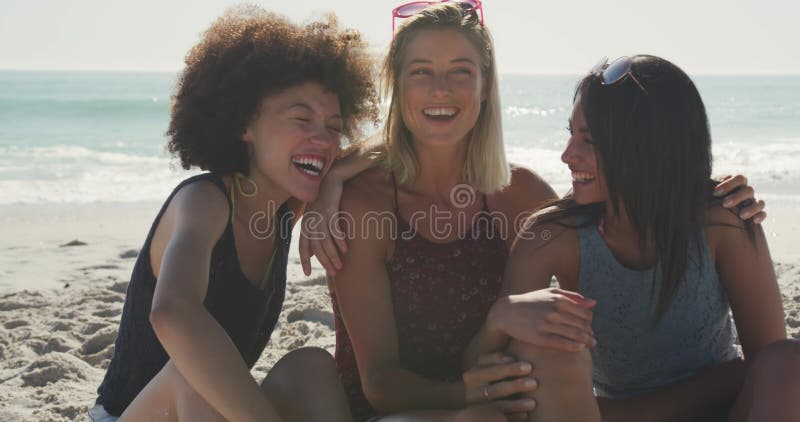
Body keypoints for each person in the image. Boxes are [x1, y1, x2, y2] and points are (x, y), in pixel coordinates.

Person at [299, 3, 766, 421]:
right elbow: (381, 386)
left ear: (485, 87)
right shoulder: (366, 203)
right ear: (397, 88)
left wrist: (703, 191)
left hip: (500, 404)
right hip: (418, 410)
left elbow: (615, 192)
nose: (441, 88)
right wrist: (333, 180)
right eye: (420, 71)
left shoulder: (520, 193)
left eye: (461, 70)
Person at [466, 55, 800, 422]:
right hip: (612, 414)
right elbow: (496, 378)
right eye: (570, 135)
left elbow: (770, 368)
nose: (567, 156)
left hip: (715, 413)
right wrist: (500, 316)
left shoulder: (722, 220)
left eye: (589, 140)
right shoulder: (551, 237)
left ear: (649, 147)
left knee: (789, 362)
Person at [88, 6, 378, 421]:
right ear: (245, 123)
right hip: (133, 414)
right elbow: (171, 311)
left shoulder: (282, 209)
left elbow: (389, 144)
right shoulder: (203, 201)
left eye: (334, 126)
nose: (323, 138)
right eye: (301, 118)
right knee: (192, 372)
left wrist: (331, 185)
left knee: (310, 366)